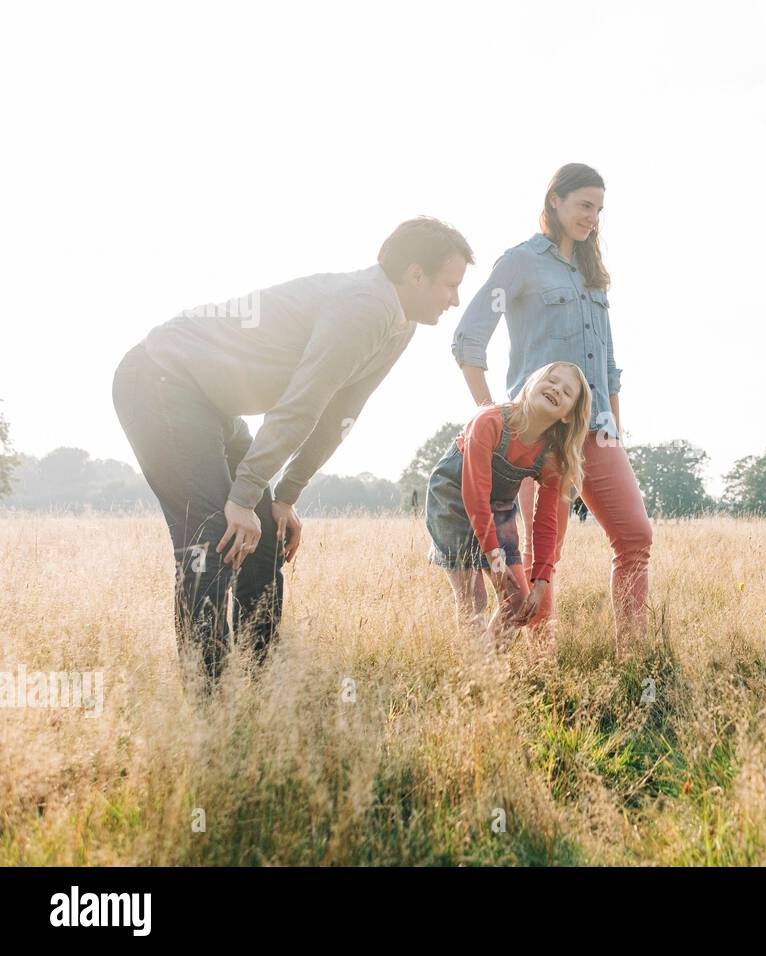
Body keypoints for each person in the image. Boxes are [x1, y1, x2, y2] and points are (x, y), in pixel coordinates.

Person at [113, 217, 472, 685]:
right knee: (214, 533)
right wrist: (242, 498)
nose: (455, 299)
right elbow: (300, 406)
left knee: (264, 535)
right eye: (450, 284)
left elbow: (340, 411)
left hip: (211, 402)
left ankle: (260, 684)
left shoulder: (401, 324)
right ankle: (209, 699)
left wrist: (283, 497)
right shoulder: (364, 306)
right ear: (415, 275)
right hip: (160, 379)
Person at [452, 163, 652, 649]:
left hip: (597, 428)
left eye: (599, 210)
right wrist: (495, 421)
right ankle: (537, 668)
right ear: (555, 201)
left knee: (635, 538)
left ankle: (635, 658)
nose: (593, 218)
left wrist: (616, 434)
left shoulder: (594, 275)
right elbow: (468, 339)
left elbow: (608, 365)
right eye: (585, 205)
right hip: (537, 436)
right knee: (546, 554)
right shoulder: (519, 263)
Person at [425, 363, 590, 647]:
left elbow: (546, 521)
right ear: (533, 382)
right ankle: (482, 678)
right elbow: (475, 495)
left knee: (517, 604)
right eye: (551, 380)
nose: (555, 389)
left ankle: (485, 669)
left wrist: (541, 579)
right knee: (474, 599)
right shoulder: (490, 421)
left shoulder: (552, 457)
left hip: (497, 507)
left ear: (567, 416)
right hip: (454, 499)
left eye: (566, 392)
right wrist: (495, 560)